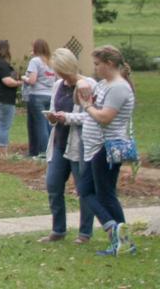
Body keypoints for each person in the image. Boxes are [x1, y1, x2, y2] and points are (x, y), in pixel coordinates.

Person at [53, 45, 137, 256]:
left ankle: (120, 237)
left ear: (109, 63)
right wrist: (80, 83)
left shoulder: (118, 87)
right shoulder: (103, 84)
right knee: (86, 190)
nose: (95, 68)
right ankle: (116, 232)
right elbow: (80, 100)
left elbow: (104, 117)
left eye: (98, 64)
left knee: (105, 195)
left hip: (106, 147)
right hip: (94, 148)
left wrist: (88, 106)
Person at [37, 47, 94, 245]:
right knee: (53, 185)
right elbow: (54, 109)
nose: (61, 76)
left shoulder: (88, 85)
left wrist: (67, 117)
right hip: (59, 143)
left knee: (83, 189)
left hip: (78, 145)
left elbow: (92, 116)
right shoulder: (58, 85)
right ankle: (58, 230)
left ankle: (85, 233)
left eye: (62, 71)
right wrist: (53, 117)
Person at [0, 39, 22, 156]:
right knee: (4, 126)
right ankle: (2, 152)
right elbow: (7, 81)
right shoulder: (2, 64)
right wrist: (19, 83)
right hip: (4, 99)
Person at [25, 39, 56, 158]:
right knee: (48, 124)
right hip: (50, 96)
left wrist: (24, 78)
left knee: (39, 124)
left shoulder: (35, 61)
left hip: (37, 95)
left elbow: (32, 80)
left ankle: (43, 152)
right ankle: (51, 150)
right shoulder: (51, 62)